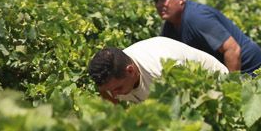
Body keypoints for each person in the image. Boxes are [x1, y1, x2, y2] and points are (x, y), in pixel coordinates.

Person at [143, 0, 261, 73]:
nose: (159, 5)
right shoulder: (169, 26)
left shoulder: (197, 18)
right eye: (156, 0)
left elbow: (232, 49)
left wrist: (231, 87)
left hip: (249, 68)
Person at [87, 37, 229, 104]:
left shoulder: (163, 70)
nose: (114, 94)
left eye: (118, 88)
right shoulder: (111, 80)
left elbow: (181, 109)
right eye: (109, 90)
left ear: (130, 71)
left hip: (216, 87)